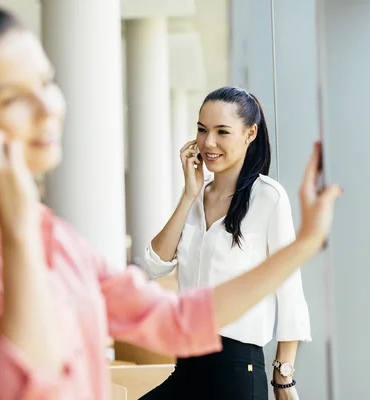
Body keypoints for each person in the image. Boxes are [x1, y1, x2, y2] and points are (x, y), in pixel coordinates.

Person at [0, 4, 342, 400]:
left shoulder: (50, 233)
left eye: (45, 82)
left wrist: (304, 243)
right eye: (13, 97)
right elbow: (15, 389)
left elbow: (176, 318)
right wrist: (17, 229)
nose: (49, 107)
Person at [141, 86, 309, 400]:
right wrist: (188, 194)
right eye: (202, 130)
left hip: (236, 370)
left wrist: (284, 375)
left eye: (222, 132)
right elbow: (155, 264)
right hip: (187, 365)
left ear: (250, 134)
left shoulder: (268, 198)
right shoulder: (196, 195)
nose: (208, 143)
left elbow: (289, 287)